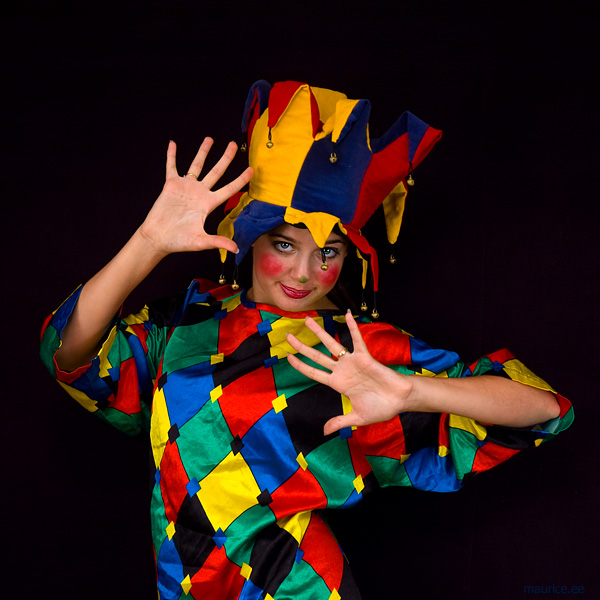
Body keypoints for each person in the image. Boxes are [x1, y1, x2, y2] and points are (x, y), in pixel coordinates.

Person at [40, 80, 573, 600]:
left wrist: (415, 392)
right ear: (251, 235)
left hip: (292, 583)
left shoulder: (358, 346)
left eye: (328, 252)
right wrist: (149, 242)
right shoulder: (190, 316)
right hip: (183, 583)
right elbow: (69, 354)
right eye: (284, 244)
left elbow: (545, 410)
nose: (304, 272)